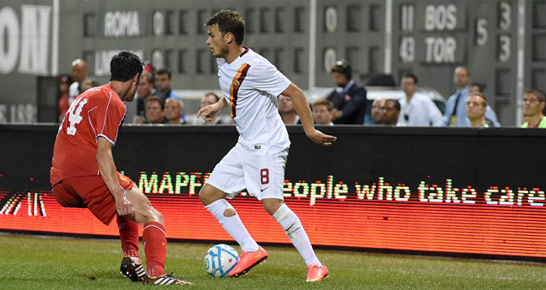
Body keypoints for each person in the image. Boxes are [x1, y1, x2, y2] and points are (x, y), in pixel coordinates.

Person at [198, 10, 336, 282]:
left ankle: (315, 265)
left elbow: (295, 93)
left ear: (228, 38)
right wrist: (217, 105)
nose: (207, 41)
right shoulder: (225, 61)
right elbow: (236, 89)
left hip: (268, 145)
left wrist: (308, 130)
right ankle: (251, 249)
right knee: (209, 194)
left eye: (211, 36)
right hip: (247, 143)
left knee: (272, 204)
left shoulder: (257, 66)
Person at [50, 51, 190, 286]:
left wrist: (119, 191)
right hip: (86, 172)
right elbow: (103, 151)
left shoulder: (89, 94)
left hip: (59, 180)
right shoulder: (113, 101)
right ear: (136, 78)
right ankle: (157, 275)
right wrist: (117, 194)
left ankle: (131, 258)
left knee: (128, 193)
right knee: (152, 215)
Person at [327, 60, 367, 124]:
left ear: (346, 76)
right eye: (334, 77)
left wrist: (340, 114)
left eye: (338, 77)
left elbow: (353, 105)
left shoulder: (359, 91)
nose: (335, 81)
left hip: (354, 130)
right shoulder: (336, 93)